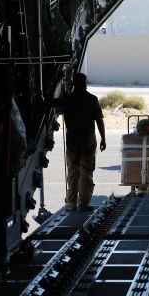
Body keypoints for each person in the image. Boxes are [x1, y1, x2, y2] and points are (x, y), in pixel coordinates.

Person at [54, 73, 106, 211]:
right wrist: (103, 138)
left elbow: (52, 103)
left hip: (72, 142)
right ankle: (83, 203)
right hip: (87, 142)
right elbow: (99, 120)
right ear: (85, 84)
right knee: (86, 173)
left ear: (74, 84)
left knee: (72, 171)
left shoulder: (67, 99)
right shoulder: (92, 99)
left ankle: (71, 203)